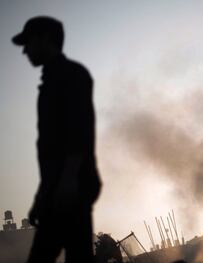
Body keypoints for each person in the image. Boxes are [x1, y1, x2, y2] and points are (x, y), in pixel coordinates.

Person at [12, 16, 101, 262]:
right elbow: (51, 151)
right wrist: (42, 197)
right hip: (61, 188)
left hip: (70, 187)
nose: (24, 51)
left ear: (45, 39)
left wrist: (69, 180)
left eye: (28, 42)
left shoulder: (72, 75)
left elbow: (79, 130)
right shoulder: (50, 83)